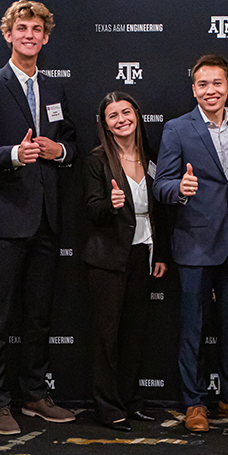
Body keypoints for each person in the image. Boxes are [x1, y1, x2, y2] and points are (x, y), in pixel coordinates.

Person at [0, 0, 77, 435]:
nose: (29, 35)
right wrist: (15, 154)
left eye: (36, 29)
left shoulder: (53, 89)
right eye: (21, 28)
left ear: (45, 37)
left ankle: (33, 394)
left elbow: (67, 141)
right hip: (5, 221)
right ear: (8, 34)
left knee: (37, 315)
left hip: (46, 220)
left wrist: (60, 151)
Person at [153, 54, 228, 433]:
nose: (210, 91)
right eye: (203, 85)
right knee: (193, 327)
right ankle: (193, 402)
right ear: (194, 90)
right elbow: (161, 185)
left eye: (217, 83)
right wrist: (179, 189)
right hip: (194, 243)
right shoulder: (177, 129)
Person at [82, 92, 170, 432]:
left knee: (134, 335)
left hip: (142, 255)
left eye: (126, 112)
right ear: (105, 124)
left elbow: (159, 211)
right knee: (107, 338)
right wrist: (111, 203)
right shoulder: (97, 161)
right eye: (113, 116)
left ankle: (131, 401)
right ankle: (107, 406)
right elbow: (91, 211)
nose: (121, 119)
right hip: (108, 259)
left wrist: (159, 252)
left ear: (137, 114)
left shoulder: (150, 157)